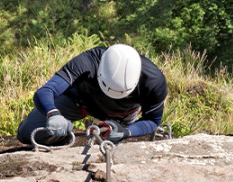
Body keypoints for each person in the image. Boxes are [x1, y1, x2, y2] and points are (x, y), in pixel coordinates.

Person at [17, 44, 167, 145]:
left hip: (122, 114)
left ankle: (116, 127)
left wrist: (127, 132)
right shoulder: (88, 61)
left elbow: (152, 120)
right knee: (27, 133)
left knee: (122, 144)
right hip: (80, 101)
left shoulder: (153, 81)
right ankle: (62, 135)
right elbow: (46, 91)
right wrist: (53, 113)